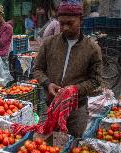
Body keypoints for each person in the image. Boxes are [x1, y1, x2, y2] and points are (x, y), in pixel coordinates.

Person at [33, 0, 103, 138]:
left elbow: (95, 80)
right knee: (50, 147)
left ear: (81, 20)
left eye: (70, 23)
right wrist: (47, 83)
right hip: (51, 107)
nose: (64, 28)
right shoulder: (49, 43)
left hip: (77, 110)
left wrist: (74, 90)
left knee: (73, 147)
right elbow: (37, 69)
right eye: (61, 23)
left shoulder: (92, 48)